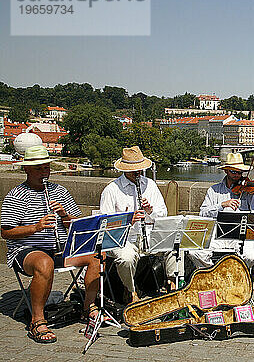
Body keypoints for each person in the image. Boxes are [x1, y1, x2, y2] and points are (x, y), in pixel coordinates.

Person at [1, 145, 100, 344]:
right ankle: (37, 320)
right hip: (26, 250)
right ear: (26, 169)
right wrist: (35, 227)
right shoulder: (17, 195)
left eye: (46, 168)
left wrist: (64, 215)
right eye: (38, 169)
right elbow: (5, 232)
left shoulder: (59, 191)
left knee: (98, 255)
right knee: (44, 263)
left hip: (59, 248)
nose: (44, 173)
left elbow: (78, 225)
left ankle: (88, 307)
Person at [99, 146, 173, 303]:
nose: (138, 172)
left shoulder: (150, 185)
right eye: (133, 170)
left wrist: (150, 211)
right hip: (125, 239)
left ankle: (172, 286)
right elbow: (105, 224)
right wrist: (128, 220)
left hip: (149, 234)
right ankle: (130, 291)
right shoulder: (112, 190)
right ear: (125, 169)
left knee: (176, 246)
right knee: (126, 258)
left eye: (140, 169)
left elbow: (163, 214)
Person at [188, 152, 254, 269]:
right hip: (218, 233)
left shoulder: (249, 191)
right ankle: (214, 272)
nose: (238, 175)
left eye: (240, 172)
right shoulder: (214, 190)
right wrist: (222, 205)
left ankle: (239, 275)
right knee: (195, 253)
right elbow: (203, 213)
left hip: (242, 234)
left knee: (250, 257)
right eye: (234, 172)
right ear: (226, 171)